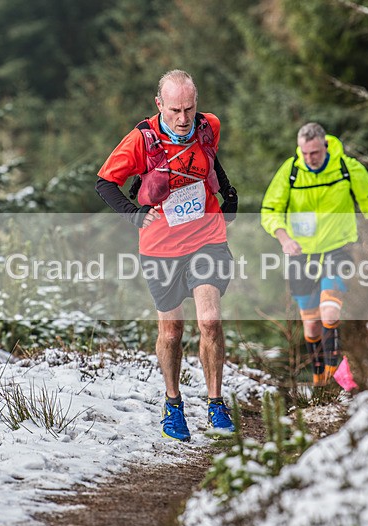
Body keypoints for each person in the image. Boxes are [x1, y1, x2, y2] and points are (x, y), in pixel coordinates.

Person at [95, 69, 238, 441]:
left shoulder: (210, 126)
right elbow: (105, 182)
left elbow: (209, 157)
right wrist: (133, 214)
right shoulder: (140, 140)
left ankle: (215, 402)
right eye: (175, 109)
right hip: (160, 247)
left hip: (207, 236)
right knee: (172, 331)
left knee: (209, 320)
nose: (183, 118)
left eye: (189, 108)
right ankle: (173, 403)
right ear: (159, 105)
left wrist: (226, 190)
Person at [261, 122, 368, 386]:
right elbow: (269, 211)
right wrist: (284, 238)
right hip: (301, 254)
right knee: (311, 326)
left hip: (340, 249)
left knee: (330, 313)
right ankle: (320, 380)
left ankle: (339, 380)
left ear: (325, 146)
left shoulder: (347, 167)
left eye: (314, 152)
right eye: (304, 153)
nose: (309, 158)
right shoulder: (291, 171)